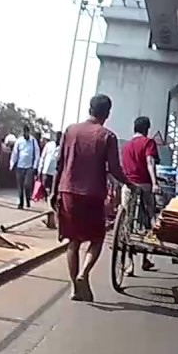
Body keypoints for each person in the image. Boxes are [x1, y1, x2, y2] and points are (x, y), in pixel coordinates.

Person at [53, 94, 128, 302]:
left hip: (67, 191)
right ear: (107, 114)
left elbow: (59, 164)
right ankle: (83, 273)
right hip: (93, 194)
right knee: (96, 238)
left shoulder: (70, 131)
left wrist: (54, 191)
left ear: (89, 109)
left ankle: (74, 289)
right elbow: (115, 169)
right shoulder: (108, 136)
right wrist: (130, 183)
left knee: (73, 241)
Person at [120, 116, 160, 274]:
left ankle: (129, 263)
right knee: (150, 218)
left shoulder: (126, 146)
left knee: (127, 222)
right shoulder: (148, 142)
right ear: (146, 129)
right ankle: (146, 257)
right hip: (144, 185)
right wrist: (155, 183)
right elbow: (150, 162)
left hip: (128, 186)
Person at [9, 124, 41, 209]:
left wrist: (35, 166)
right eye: (24, 132)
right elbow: (15, 153)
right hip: (20, 166)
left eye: (26, 132)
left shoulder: (33, 141)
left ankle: (27, 199)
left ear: (28, 132)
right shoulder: (19, 141)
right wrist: (12, 164)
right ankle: (21, 203)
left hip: (29, 167)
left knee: (27, 185)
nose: (25, 134)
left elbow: (37, 154)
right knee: (20, 186)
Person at [37, 130, 61, 202]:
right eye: (57, 136)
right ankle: (45, 198)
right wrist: (40, 168)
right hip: (46, 169)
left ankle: (49, 199)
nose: (58, 138)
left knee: (52, 188)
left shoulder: (62, 146)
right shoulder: (49, 145)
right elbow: (43, 156)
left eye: (60, 137)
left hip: (55, 171)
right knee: (44, 185)